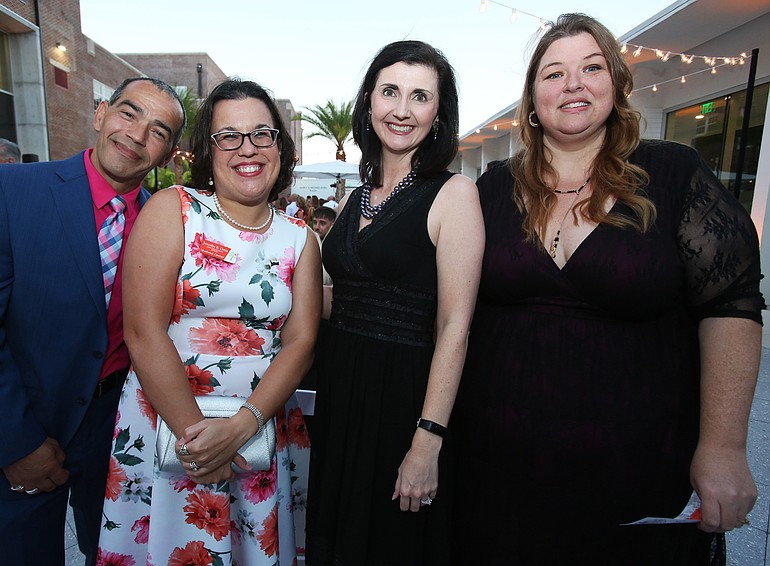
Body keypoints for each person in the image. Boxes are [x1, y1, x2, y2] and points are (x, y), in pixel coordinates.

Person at [452, 13, 763, 565]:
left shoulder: (675, 173)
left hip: (634, 468)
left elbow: (731, 305)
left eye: (591, 67)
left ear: (617, 85)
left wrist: (723, 448)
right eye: (553, 73)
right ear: (531, 98)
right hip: (499, 468)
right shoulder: (492, 188)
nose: (572, 84)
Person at [0, 77, 186, 566]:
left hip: (116, 432)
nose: (136, 134)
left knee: (114, 556)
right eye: (128, 113)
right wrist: (15, 444)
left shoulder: (168, 220)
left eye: (157, 130)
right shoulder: (7, 189)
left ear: (169, 153)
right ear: (99, 114)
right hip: (20, 424)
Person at [97, 78, 320, 565]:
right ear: (208, 150)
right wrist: (198, 441)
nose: (248, 148)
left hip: (261, 430)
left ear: (280, 145)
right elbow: (142, 330)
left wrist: (242, 426)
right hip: (169, 427)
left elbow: (301, 341)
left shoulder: (300, 236)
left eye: (262, 133)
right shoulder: (172, 210)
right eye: (229, 136)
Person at [306, 40, 484, 564]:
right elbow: (348, 300)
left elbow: (455, 325)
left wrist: (427, 441)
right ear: (369, 102)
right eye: (390, 91)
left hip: (403, 402)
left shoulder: (454, 194)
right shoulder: (354, 196)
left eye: (420, 96)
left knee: (391, 544)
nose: (402, 109)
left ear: (438, 113)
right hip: (341, 396)